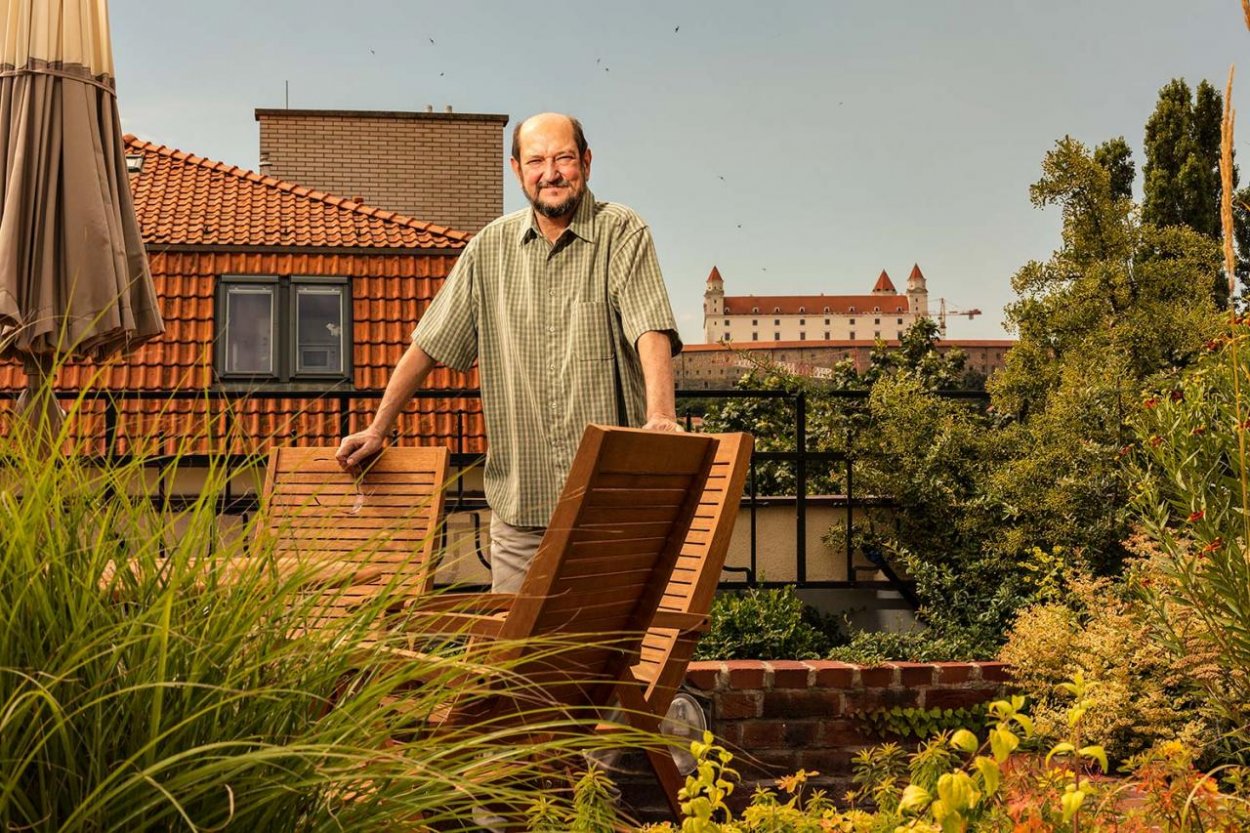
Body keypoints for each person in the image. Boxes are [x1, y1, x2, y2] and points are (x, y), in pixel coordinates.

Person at [336, 112, 683, 592]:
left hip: (609, 504)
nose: (551, 173)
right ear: (517, 170)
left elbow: (650, 327)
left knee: (604, 654)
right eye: (537, 160)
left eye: (563, 157)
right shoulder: (488, 248)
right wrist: (378, 428)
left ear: (585, 161)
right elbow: (428, 344)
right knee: (515, 658)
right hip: (522, 507)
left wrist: (661, 417)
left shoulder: (621, 231)